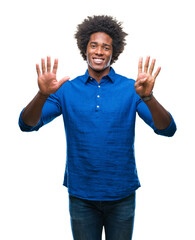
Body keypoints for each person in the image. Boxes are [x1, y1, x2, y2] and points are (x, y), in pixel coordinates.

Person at [19, 15, 176, 240]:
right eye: (94, 45)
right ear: (85, 49)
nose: (99, 52)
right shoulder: (66, 89)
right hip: (81, 196)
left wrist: (149, 97)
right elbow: (27, 124)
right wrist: (42, 95)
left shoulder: (132, 88)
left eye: (106, 47)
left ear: (114, 52)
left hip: (121, 194)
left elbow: (167, 129)